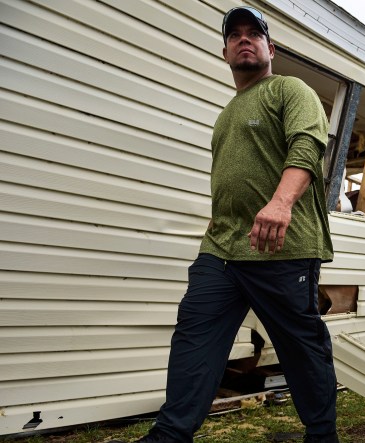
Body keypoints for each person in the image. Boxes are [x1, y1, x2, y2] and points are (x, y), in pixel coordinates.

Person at [111, 7, 337, 443]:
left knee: (300, 347)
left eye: (255, 34)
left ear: (271, 49)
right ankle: (171, 433)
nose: (244, 39)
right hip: (222, 249)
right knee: (195, 335)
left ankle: (322, 434)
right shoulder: (227, 113)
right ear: (225, 51)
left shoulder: (290, 89)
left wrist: (280, 202)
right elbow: (232, 177)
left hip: (281, 247)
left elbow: (308, 144)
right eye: (235, 35)